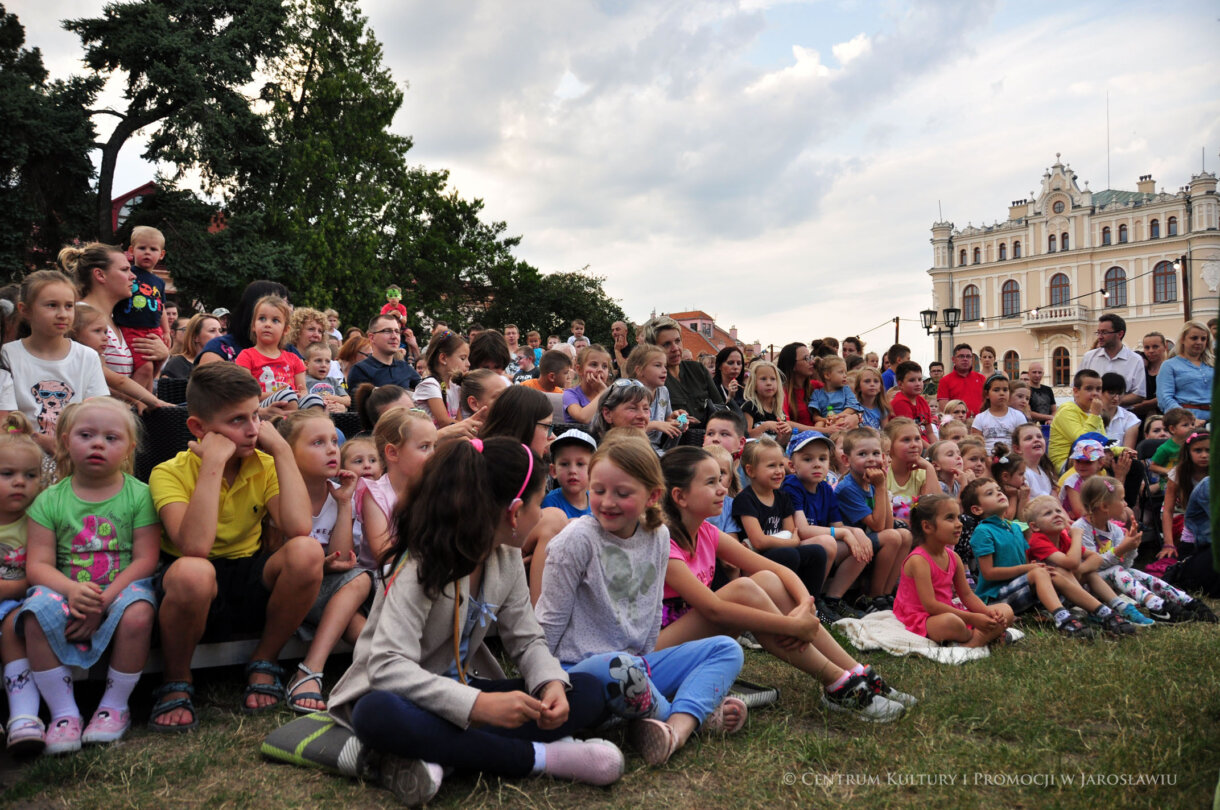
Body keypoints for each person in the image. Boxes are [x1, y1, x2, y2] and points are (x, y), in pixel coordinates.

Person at [327, 438, 623, 805]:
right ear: (514, 513)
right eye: (538, 504)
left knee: (589, 691)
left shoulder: (506, 555)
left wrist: (550, 684)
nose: (543, 514)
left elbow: (528, 639)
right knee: (376, 715)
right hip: (401, 698)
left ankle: (438, 756)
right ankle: (545, 758)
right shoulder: (421, 562)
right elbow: (386, 666)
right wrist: (476, 706)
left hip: (459, 695)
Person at [535, 436, 747, 767]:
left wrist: (646, 668)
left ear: (652, 496)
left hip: (638, 665)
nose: (607, 502)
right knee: (618, 667)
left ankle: (670, 727)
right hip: (581, 670)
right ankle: (691, 717)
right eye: (599, 490)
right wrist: (548, 684)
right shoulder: (576, 540)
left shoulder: (659, 535)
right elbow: (547, 625)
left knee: (727, 649)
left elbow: (649, 613)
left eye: (622, 493)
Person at [659, 446, 911, 722]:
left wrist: (806, 604)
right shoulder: (663, 544)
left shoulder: (706, 531)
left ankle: (856, 672)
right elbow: (714, 610)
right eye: (711, 482)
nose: (722, 489)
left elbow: (776, 570)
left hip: (694, 644)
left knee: (765, 579)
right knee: (744, 589)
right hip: (658, 656)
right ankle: (838, 684)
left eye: (721, 479)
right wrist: (789, 625)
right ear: (680, 496)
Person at [147, 363, 321, 730]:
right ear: (198, 428)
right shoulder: (168, 472)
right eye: (237, 420)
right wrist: (212, 462)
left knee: (307, 552)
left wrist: (284, 453)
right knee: (194, 571)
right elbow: (194, 547)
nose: (253, 429)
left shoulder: (264, 462)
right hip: (192, 585)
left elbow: (299, 527)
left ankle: (265, 660)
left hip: (249, 573)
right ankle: (176, 679)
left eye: (256, 415)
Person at [18, 398, 160, 752]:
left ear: (130, 448)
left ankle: (114, 707)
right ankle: (64, 713)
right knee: (33, 614)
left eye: (111, 438)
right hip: (66, 588)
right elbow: (37, 566)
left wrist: (104, 598)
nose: (98, 444)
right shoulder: (48, 501)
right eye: (86, 435)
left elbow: (146, 560)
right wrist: (73, 591)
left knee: (139, 613)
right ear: (66, 441)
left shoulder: (141, 496)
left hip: (122, 587)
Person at [271, 411, 370, 713]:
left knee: (360, 581)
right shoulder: (277, 490)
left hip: (325, 588)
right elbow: (273, 557)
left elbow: (342, 557)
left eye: (333, 441)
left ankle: (312, 671)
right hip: (286, 591)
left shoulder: (339, 495)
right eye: (317, 443)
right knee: (351, 603)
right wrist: (319, 566)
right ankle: (383, 669)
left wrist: (343, 504)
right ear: (288, 454)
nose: (332, 449)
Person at [963, 478, 1120, 639]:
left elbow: (1024, 564)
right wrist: (1030, 569)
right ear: (977, 509)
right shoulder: (983, 531)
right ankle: (1063, 620)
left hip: (1020, 589)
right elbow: (988, 573)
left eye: (998, 490)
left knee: (1054, 571)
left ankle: (1104, 613)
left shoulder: (1015, 528)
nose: (998, 493)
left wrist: (1033, 567)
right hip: (996, 598)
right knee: (1039, 572)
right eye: (990, 493)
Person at [0, 270, 108, 463]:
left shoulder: (87, 357)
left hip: (75, 456)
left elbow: (100, 413)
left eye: (69, 306)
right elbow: (4, 424)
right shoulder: (7, 356)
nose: (62, 314)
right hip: (20, 457)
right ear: (25, 310)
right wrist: (38, 439)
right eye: (52, 305)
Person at [1073, 479, 1210, 623]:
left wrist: (1132, 548)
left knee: (1135, 573)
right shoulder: (1080, 529)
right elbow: (1093, 566)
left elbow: (1126, 566)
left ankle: (1187, 602)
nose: (1125, 504)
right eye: (1121, 499)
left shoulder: (1115, 529)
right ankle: (1157, 607)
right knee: (1116, 571)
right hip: (1087, 586)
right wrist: (1121, 549)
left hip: (1110, 583)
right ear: (1105, 506)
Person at [893, 494, 1015, 647]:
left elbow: (967, 594)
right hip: (922, 616)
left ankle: (970, 642)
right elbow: (930, 605)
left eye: (958, 517)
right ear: (927, 526)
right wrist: (972, 619)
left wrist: (987, 613)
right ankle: (980, 640)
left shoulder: (953, 557)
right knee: (953, 623)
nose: (959, 524)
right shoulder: (919, 560)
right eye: (950, 518)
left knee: (1006, 610)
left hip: (948, 610)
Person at [781, 431, 870, 625]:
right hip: (794, 547)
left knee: (862, 543)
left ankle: (833, 600)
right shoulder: (791, 485)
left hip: (818, 546)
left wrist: (856, 532)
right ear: (791, 465)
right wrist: (846, 532)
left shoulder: (824, 489)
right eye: (807, 459)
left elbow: (837, 526)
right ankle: (813, 600)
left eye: (822, 458)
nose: (817, 464)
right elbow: (802, 530)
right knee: (828, 541)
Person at [732, 437, 829, 613]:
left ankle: (813, 606)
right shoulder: (745, 499)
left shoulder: (782, 496)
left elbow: (792, 531)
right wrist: (791, 542)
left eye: (780, 465)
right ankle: (785, 606)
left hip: (779, 550)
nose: (779, 471)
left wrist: (792, 541)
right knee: (789, 554)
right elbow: (759, 542)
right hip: (754, 560)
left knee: (817, 552)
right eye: (771, 466)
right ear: (751, 471)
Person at [1023, 495, 1150, 628]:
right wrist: (1077, 536)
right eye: (1048, 513)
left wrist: (1078, 571)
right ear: (1035, 526)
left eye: (1058, 511)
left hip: (1068, 588)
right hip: (1046, 598)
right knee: (1062, 570)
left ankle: (1119, 606)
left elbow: (1096, 558)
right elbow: (1071, 562)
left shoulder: (1062, 537)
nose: (1056, 515)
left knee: (1090, 574)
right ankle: (1096, 610)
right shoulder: (1038, 541)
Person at [0, 414, 48, 754]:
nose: (20, 483)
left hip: (21, 599)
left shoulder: (38, 518)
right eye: (7, 474)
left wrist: (8, 591)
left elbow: (39, 570)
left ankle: (24, 717)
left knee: (15, 627)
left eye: (30, 475)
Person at [834, 427, 912, 613]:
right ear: (846, 460)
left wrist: (881, 487)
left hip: (867, 539)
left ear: (883, 458)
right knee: (893, 537)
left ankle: (887, 593)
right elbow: (879, 527)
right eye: (862, 454)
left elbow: (887, 525)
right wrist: (880, 487)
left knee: (905, 535)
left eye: (876, 453)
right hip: (846, 543)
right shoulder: (848, 488)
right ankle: (873, 596)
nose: (871, 459)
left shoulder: (871, 482)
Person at [357, 408, 438, 571]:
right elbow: (384, 555)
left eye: (434, 446)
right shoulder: (375, 495)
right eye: (424, 447)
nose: (434, 454)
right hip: (382, 577)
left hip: (425, 570)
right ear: (393, 453)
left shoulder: (433, 489)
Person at [70, 304, 170, 414]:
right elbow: (119, 381)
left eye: (106, 332)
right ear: (75, 333)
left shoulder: (97, 356)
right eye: (97, 331)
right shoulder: (83, 356)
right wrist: (151, 401)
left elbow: (109, 387)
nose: (105, 337)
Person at [111, 226, 170, 391]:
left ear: (161, 254)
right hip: (131, 328)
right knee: (145, 367)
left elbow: (161, 306)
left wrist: (166, 331)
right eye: (142, 248)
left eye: (153, 249)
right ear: (131, 251)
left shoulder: (159, 282)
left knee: (154, 365)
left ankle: (146, 405)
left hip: (153, 330)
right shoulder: (128, 274)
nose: (147, 252)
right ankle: (131, 403)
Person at [644, 317, 723, 424]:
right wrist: (679, 422)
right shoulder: (652, 379)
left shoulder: (698, 369)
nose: (675, 348)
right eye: (667, 344)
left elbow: (720, 407)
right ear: (652, 348)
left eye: (678, 341)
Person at [234, 296, 306, 408]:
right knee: (287, 397)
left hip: (293, 402)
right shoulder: (246, 356)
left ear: (286, 330)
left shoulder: (294, 359)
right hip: (261, 407)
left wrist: (301, 395)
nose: (267, 324)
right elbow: (244, 393)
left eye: (275, 320)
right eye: (262, 318)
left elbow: (303, 390)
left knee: (314, 399)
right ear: (253, 325)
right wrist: (276, 395)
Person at [197, 281, 290, 365]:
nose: (289, 310)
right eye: (281, 304)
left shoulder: (288, 350)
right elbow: (206, 383)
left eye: (288, 304)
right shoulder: (220, 348)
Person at [1159, 430, 1209, 563]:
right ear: (1188, 452)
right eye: (1198, 450)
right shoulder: (1179, 473)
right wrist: (1168, 543)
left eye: (1208, 450)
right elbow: (1168, 511)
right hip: (1181, 515)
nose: (1204, 455)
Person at [1080, 313, 1145, 407]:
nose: (1100, 337)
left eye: (1104, 332)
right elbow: (1077, 387)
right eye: (1098, 332)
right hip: (1090, 414)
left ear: (1120, 334)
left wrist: (1110, 402)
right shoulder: (1089, 357)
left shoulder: (1135, 360)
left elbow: (1139, 394)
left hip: (1122, 417)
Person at [626, 345, 684, 450]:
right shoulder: (629, 392)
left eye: (665, 366)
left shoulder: (663, 391)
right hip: (631, 447)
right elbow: (625, 429)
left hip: (656, 449)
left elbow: (666, 419)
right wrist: (655, 425)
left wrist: (676, 419)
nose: (664, 370)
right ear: (640, 370)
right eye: (658, 365)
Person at [346, 314, 423, 392]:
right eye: (387, 331)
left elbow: (426, 389)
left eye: (397, 331)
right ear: (372, 337)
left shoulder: (404, 367)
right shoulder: (360, 370)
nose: (394, 336)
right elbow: (358, 402)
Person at [1156, 320, 1214, 424]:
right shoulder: (1169, 365)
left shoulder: (1213, 364)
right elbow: (1165, 398)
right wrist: (1187, 420)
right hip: (1186, 422)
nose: (1199, 342)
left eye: (1203, 339)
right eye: (1194, 338)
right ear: (1183, 339)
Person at [1048, 369, 1104, 472]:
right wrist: (1095, 415)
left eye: (1098, 389)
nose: (1095, 393)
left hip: (1092, 458)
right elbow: (1082, 443)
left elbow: (1103, 442)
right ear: (1076, 391)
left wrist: (1122, 450)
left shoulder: (1095, 415)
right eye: (1089, 389)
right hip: (1066, 463)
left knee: (1128, 462)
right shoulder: (1067, 411)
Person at [413, 330, 469, 428]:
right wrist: (472, 426)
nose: (468, 364)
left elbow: (458, 420)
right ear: (443, 358)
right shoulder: (430, 385)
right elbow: (444, 422)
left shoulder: (454, 386)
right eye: (463, 358)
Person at [541, 430, 596, 519]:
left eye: (580, 464)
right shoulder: (550, 504)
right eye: (564, 464)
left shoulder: (597, 501)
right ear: (554, 471)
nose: (572, 471)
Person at [970, 376, 1027, 455]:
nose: (1001, 393)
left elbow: (1024, 441)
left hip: (1013, 461)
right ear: (987, 394)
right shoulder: (980, 418)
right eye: (996, 390)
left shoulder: (1018, 416)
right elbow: (976, 445)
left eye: (1005, 390)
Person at [742, 360, 792, 444]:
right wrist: (765, 426)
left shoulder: (778, 411)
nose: (769, 383)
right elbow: (746, 436)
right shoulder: (750, 406)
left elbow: (779, 444)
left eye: (773, 379)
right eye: (763, 379)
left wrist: (786, 434)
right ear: (753, 384)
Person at [160, 313, 222, 381]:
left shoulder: (223, 363)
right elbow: (165, 390)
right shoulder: (177, 363)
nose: (219, 336)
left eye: (220, 331)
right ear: (195, 337)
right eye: (212, 331)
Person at [808, 356, 861, 431]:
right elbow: (815, 416)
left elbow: (852, 408)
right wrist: (825, 420)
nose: (845, 375)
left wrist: (837, 417)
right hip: (826, 420)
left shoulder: (846, 390)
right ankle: (819, 441)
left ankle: (839, 440)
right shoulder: (817, 393)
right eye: (841, 372)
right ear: (827, 375)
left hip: (842, 417)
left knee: (840, 421)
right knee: (818, 424)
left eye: (845, 372)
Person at [563, 344, 611, 424]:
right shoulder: (570, 394)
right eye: (594, 365)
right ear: (579, 370)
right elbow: (583, 417)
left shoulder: (612, 394)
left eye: (604, 366)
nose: (600, 370)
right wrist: (603, 392)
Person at [776, 342, 818, 431]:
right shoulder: (781, 391)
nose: (812, 362)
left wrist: (854, 416)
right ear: (792, 365)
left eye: (811, 357)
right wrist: (824, 431)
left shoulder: (816, 386)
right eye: (806, 358)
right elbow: (785, 422)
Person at [890, 361, 933, 445]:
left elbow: (930, 432)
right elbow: (911, 435)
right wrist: (932, 451)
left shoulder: (922, 401)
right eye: (912, 380)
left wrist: (937, 447)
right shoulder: (900, 403)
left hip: (924, 445)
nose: (918, 384)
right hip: (910, 445)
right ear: (900, 384)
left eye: (920, 380)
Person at [937, 343, 985, 416]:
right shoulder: (945, 381)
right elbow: (944, 408)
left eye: (968, 356)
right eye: (961, 356)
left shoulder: (981, 378)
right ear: (953, 359)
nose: (965, 359)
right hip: (957, 424)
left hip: (981, 423)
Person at [303, 342, 351, 412]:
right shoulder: (304, 381)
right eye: (318, 360)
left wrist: (340, 406)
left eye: (327, 361)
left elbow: (348, 401)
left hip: (336, 415)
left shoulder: (333, 381)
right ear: (307, 364)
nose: (323, 365)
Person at [1014, 423, 1057, 498]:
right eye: (1029, 438)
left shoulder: (1047, 471)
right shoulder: (1022, 474)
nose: (1036, 440)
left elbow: (1056, 502)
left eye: (1039, 437)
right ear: (1017, 449)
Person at [1098, 372, 1139, 449]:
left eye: (1120, 393)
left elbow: (1128, 450)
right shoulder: (1089, 414)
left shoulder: (1130, 419)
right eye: (1111, 393)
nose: (1116, 398)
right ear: (1101, 392)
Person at [1133, 332, 1168, 419]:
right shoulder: (1140, 371)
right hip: (1141, 420)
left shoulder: (1171, 369)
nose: (1151, 351)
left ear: (1165, 347)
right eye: (1147, 347)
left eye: (1155, 347)